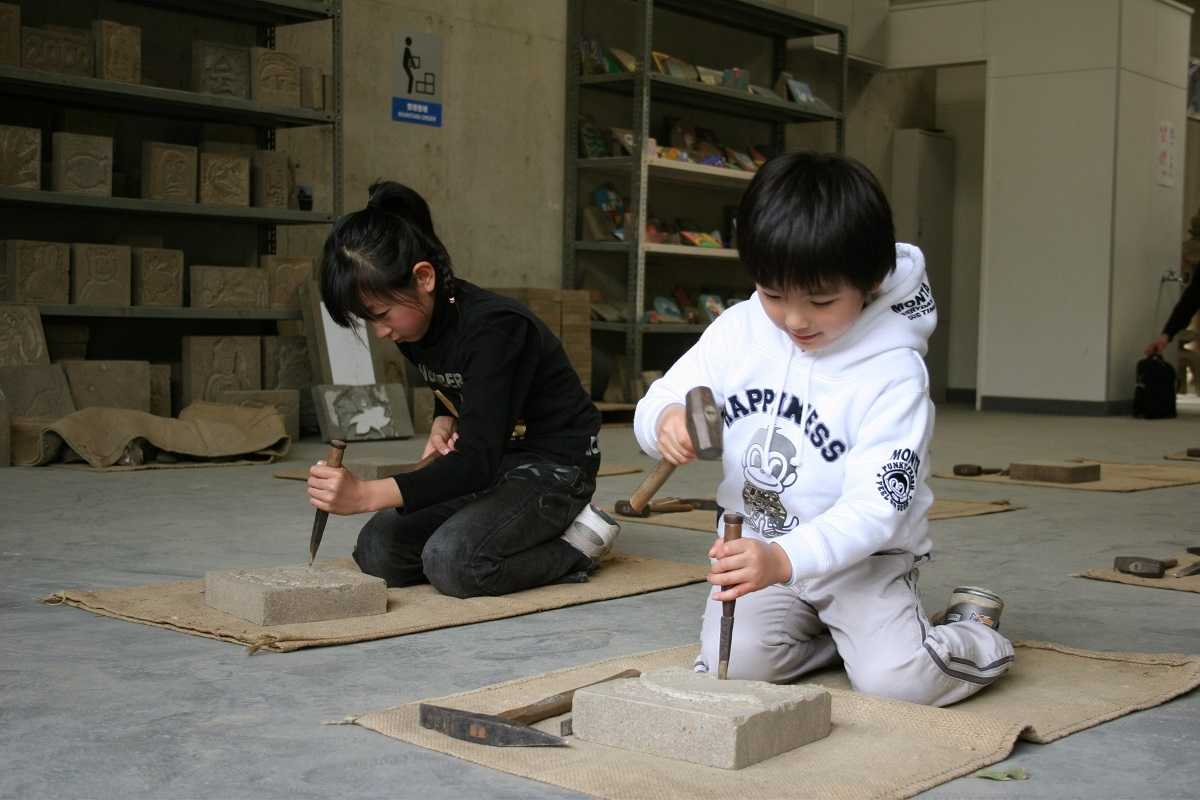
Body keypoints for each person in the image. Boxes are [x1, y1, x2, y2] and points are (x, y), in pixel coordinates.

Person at [633, 153, 1013, 706]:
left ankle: (975, 632)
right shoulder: (738, 331)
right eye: (773, 294)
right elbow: (670, 394)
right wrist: (665, 421)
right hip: (757, 548)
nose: (794, 320)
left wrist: (787, 560)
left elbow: (877, 509)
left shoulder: (892, 371)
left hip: (863, 561)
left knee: (896, 683)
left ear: (871, 281)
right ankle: (841, 641)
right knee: (734, 669)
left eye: (821, 301)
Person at [307, 181, 619, 598]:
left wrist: (366, 494)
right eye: (368, 321)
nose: (380, 332)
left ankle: (578, 543)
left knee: (454, 561)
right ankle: (503, 528)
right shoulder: (414, 326)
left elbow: (475, 462)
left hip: (555, 467)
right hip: (496, 460)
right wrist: (446, 415)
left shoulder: (496, 329)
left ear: (424, 277)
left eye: (381, 315)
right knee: (378, 550)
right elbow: (456, 385)